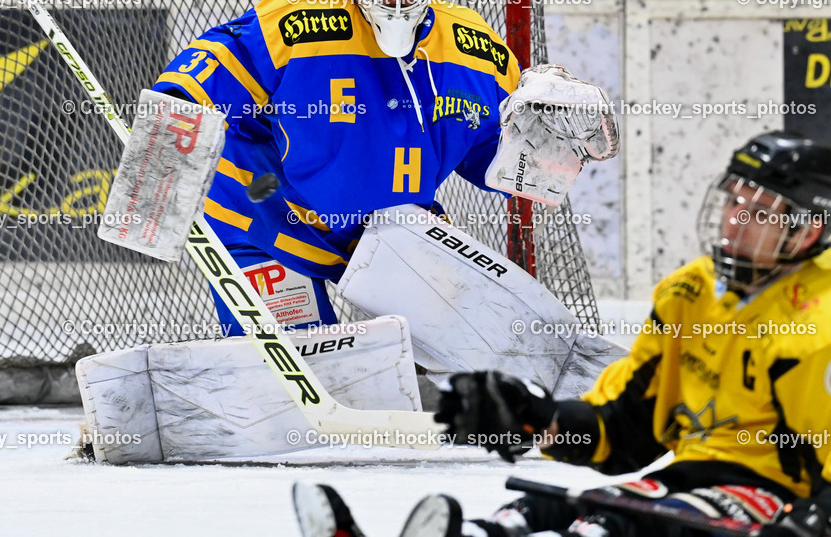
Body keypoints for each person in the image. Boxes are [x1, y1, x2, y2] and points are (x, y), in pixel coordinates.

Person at [293, 130, 831, 537]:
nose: (735, 222)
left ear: (807, 229)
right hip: (695, 478)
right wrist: (535, 418)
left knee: (610, 528)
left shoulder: (819, 319)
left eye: (760, 212)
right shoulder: (691, 293)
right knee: (531, 513)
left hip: (782, 498)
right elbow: (627, 429)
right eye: (734, 201)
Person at [154, 0, 613, 336]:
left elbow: (495, 161)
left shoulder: (475, 51)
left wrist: (545, 151)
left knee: (479, 341)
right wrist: (166, 130)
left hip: (393, 234)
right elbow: (214, 68)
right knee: (300, 364)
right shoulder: (302, 18)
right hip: (267, 215)